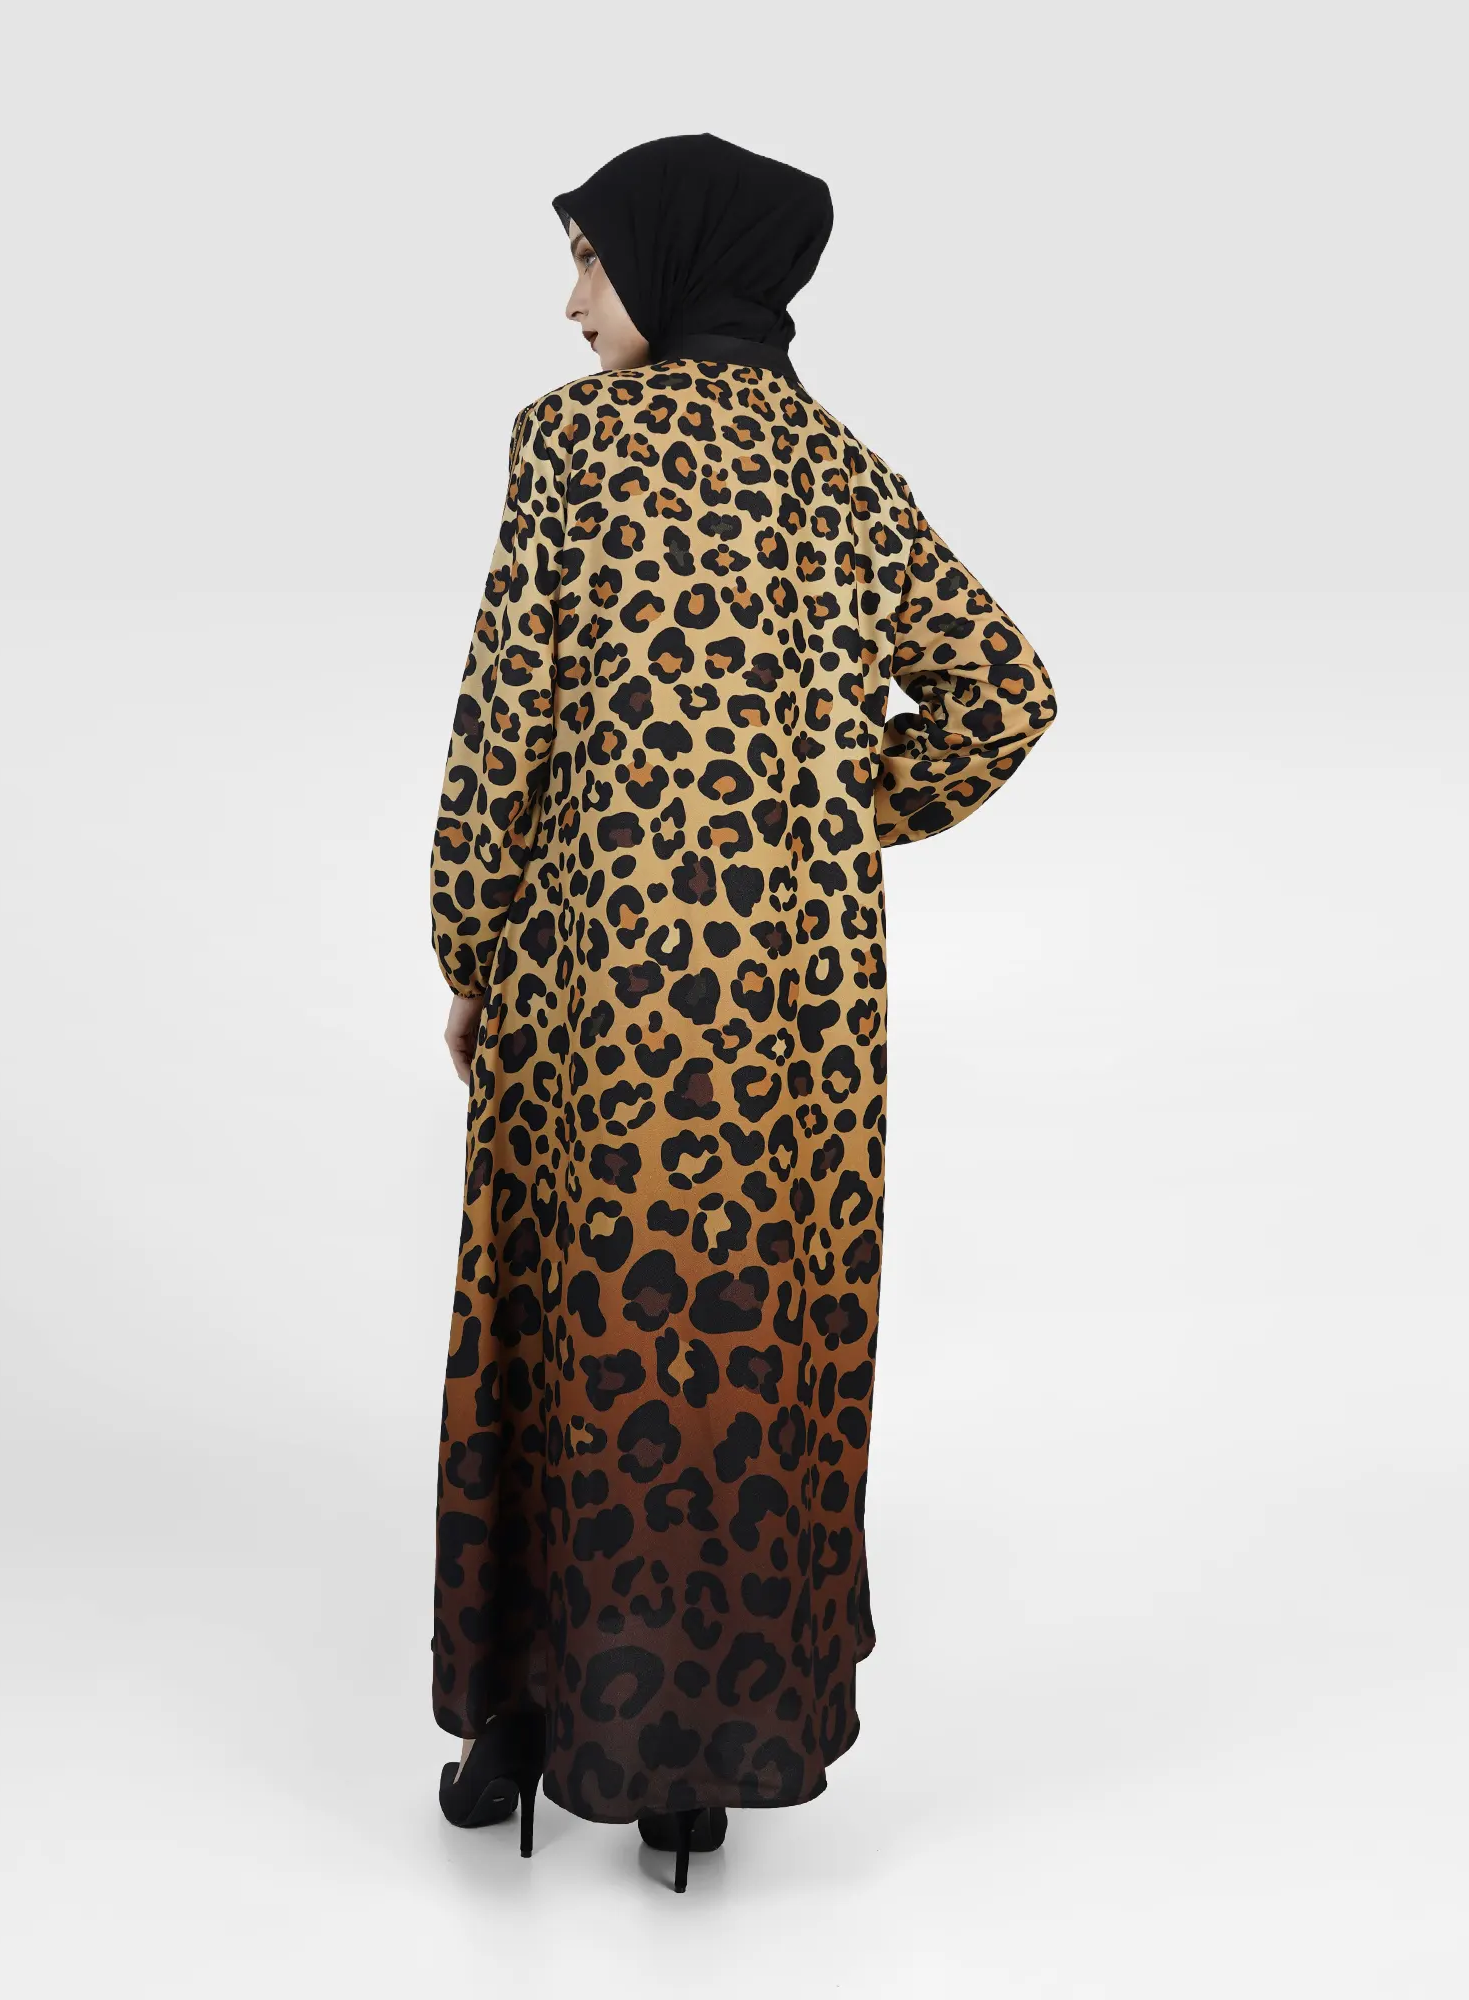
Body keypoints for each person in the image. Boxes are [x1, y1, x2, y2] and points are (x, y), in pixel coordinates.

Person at [428, 132, 1059, 1892]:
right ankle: (700, 1756)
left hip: (595, 979)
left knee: (561, 1322)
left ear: (666, 257)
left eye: (587, 258)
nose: (570, 304)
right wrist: (831, 810)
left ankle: (525, 1717)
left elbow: (504, 724)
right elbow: (1006, 694)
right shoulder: (842, 474)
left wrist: (469, 946)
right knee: (754, 1342)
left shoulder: (571, 449)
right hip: (799, 1003)